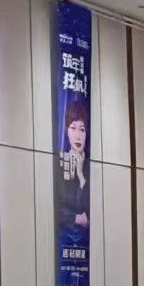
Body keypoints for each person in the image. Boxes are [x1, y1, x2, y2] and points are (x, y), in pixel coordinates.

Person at [56, 95, 90, 234]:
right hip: (63, 237)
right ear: (66, 131)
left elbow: (93, 211)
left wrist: (81, 176)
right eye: (73, 128)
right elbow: (55, 207)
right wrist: (76, 218)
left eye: (82, 129)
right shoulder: (59, 163)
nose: (77, 135)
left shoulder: (92, 168)